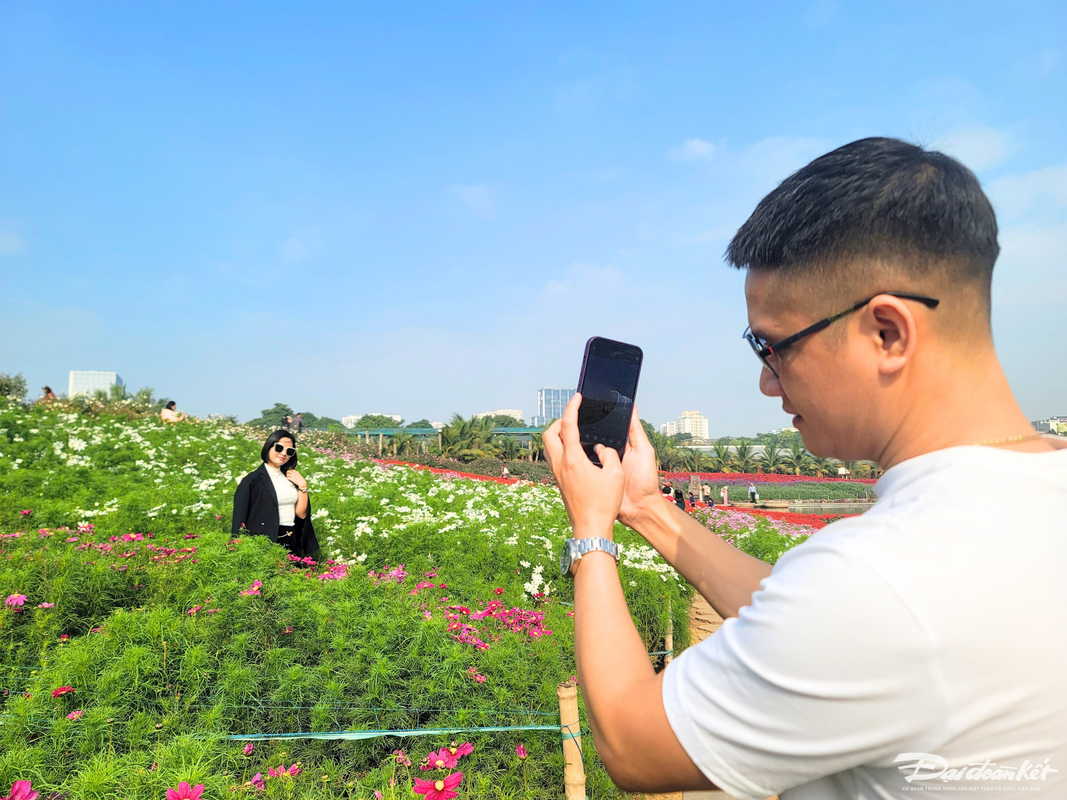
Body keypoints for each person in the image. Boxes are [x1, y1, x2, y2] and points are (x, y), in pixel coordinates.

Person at [542, 137, 1067, 799]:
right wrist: (643, 506)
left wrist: (591, 533)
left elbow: (631, 743)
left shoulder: (880, 579)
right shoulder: (1020, 503)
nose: (766, 383)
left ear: (886, 333)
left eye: (771, 346)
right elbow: (806, 617)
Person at [231, 430, 319, 557]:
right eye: (279, 448)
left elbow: (301, 514)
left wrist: (303, 486)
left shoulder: (291, 477)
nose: (283, 453)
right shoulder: (251, 481)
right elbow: (239, 518)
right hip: (264, 540)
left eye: (289, 451)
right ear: (268, 446)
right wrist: (238, 547)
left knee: (293, 575)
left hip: (290, 537)